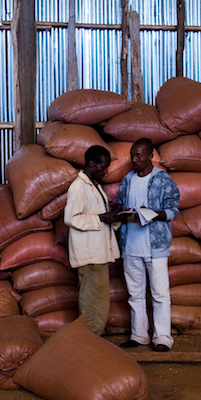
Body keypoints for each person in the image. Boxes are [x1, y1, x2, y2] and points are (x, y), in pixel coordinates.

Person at [116, 138, 180, 352]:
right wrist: (121, 212)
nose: (134, 159)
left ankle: (162, 338)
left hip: (155, 246)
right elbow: (120, 204)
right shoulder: (128, 180)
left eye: (138, 155)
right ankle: (139, 335)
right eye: (132, 155)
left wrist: (153, 214)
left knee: (160, 294)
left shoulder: (162, 179)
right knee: (135, 295)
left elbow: (173, 209)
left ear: (150, 156)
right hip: (130, 245)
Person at [64, 145, 121, 336]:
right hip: (89, 255)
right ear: (91, 164)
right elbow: (71, 218)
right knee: (92, 299)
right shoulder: (79, 187)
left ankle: (93, 334)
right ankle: (89, 337)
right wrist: (101, 218)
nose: (105, 172)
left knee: (99, 297)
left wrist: (112, 217)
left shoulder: (95, 186)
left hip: (98, 252)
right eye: (103, 167)